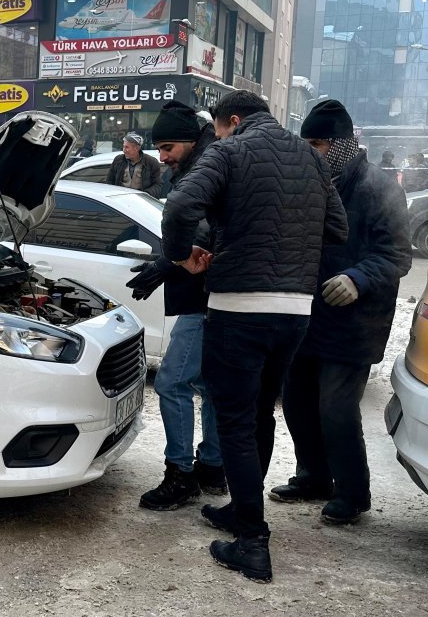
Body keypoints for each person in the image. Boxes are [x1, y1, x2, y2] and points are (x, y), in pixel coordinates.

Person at [161, 90, 347, 583]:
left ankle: (251, 541)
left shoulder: (230, 150)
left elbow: (180, 207)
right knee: (260, 411)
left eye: (218, 128)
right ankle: (240, 508)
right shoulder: (309, 155)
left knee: (236, 420)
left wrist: (184, 256)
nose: (217, 136)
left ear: (233, 120)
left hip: (240, 307)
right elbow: (338, 228)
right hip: (295, 313)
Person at [273, 100, 411, 525]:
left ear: (340, 144)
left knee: (336, 409)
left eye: (317, 143)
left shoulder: (378, 188)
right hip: (306, 315)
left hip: (354, 321)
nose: (311, 150)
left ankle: (353, 492)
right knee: (297, 402)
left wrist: (357, 278)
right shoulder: (309, 181)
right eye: (307, 142)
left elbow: (398, 255)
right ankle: (313, 477)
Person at [128, 101, 224, 511]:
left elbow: (199, 231)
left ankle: (180, 474)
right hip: (215, 296)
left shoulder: (205, 167)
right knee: (210, 386)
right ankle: (213, 467)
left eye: (167, 147)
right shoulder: (206, 159)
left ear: (189, 140)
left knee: (171, 383)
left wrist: (167, 262)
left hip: (203, 299)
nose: (161, 156)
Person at [104, 132, 162, 197]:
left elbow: (158, 185)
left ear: (136, 148)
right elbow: (109, 181)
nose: (124, 150)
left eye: (127, 147)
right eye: (123, 147)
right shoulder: (118, 160)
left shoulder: (151, 162)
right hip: (120, 201)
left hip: (141, 202)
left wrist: (145, 195)